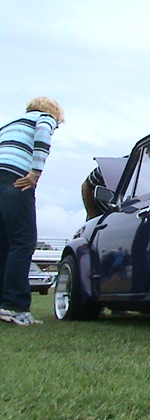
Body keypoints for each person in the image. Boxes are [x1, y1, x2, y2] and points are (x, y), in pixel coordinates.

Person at [0, 96, 64, 326]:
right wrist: (35, 173)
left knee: (4, 245)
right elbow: (42, 138)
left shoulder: (9, 125)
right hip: (15, 180)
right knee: (23, 242)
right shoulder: (44, 119)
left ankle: (3, 305)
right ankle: (15, 306)